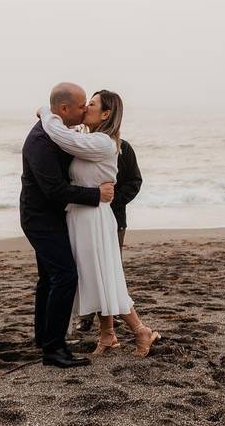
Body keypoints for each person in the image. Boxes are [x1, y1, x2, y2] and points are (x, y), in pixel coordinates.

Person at [38, 89, 160, 357]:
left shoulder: (104, 143)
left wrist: (48, 114)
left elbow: (60, 136)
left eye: (90, 104)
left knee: (104, 277)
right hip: (81, 216)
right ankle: (107, 336)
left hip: (94, 218)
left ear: (106, 113)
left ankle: (141, 331)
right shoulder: (89, 139)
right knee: (94, 278)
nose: (85, 108)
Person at [20, 82, 116, 369]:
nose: (85, 108)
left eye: (89, 104)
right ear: (64, 109)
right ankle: (54, 349)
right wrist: (95, 195)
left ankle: (45, 338)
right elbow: (54, 190)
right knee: (65, 277)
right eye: (81, 104)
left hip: (51, 215)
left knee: (49, 278)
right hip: (40, 218)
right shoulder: (40, 141)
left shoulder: (59, 133)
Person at [75, 135, 142, 333]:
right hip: (86, 218)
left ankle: (112, 316)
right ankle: (86, 316)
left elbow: (134, 181)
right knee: (86, 269)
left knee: (110, 270)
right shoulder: (83, 146)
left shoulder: (123, 148)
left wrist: (110, 203)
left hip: (114, 219)